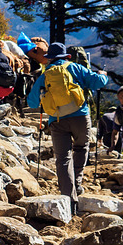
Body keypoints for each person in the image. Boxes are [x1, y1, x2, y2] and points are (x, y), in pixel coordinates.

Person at [27, 42, 108, 215]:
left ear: (49, 58)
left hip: (57, 120)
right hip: (80, 117)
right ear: (65, 56)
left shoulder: (46, 74)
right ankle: (77, 182)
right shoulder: (76, 67)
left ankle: (69, 199)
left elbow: (32, 102)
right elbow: (97, 82)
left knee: (63, 158)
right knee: (81, 148)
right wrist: (103, 75)